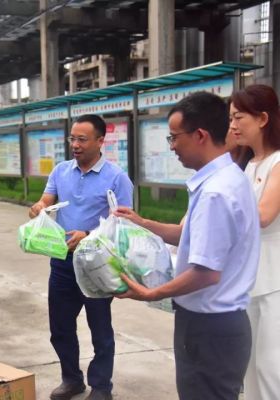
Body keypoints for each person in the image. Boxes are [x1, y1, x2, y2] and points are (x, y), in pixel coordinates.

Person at [114, 91, 260, 400]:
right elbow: (189, 236)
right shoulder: (230, 178)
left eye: (174, 137)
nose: (172, 146)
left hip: (209, 328)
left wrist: (152, 293)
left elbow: (206, 273)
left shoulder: (215, 193)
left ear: (200, 135)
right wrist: (142, 222)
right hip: (220, 325)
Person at [29, 114, 133, 400]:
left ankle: (101, 387)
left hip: (96, 263)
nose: (75, 144)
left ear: (100, 141)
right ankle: (71, 379)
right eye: (72, 138)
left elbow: (123, 224)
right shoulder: (61, 171)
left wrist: (87, 234)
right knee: (60, 326)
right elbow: (47, 199)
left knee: (100, 328)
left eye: (82, 139)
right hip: (62, 261)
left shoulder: (116, 178)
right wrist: (39, 207)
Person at [228, 84, 280, 400]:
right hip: (249, 278)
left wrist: (221, 204)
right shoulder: (247, 164)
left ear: (262, 119)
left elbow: (263, 215)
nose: (232, 125)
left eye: (238, 117)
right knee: (249, 367)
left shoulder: (278, 162)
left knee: (272, 367)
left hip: (275, 280)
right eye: (230, 118)